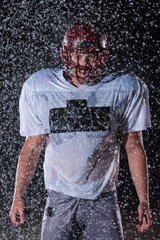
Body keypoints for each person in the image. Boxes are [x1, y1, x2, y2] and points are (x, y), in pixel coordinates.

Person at [10, 22, 151, 240]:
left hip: (103, 197)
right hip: (59, 196)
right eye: (77, 56)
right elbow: (31, 148)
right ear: (66, 54)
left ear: (102, 57)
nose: (82, 64)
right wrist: (17, 195)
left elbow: (133, 145)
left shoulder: (123, 87)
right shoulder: (41, 87)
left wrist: (144, 199)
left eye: (90, 57)